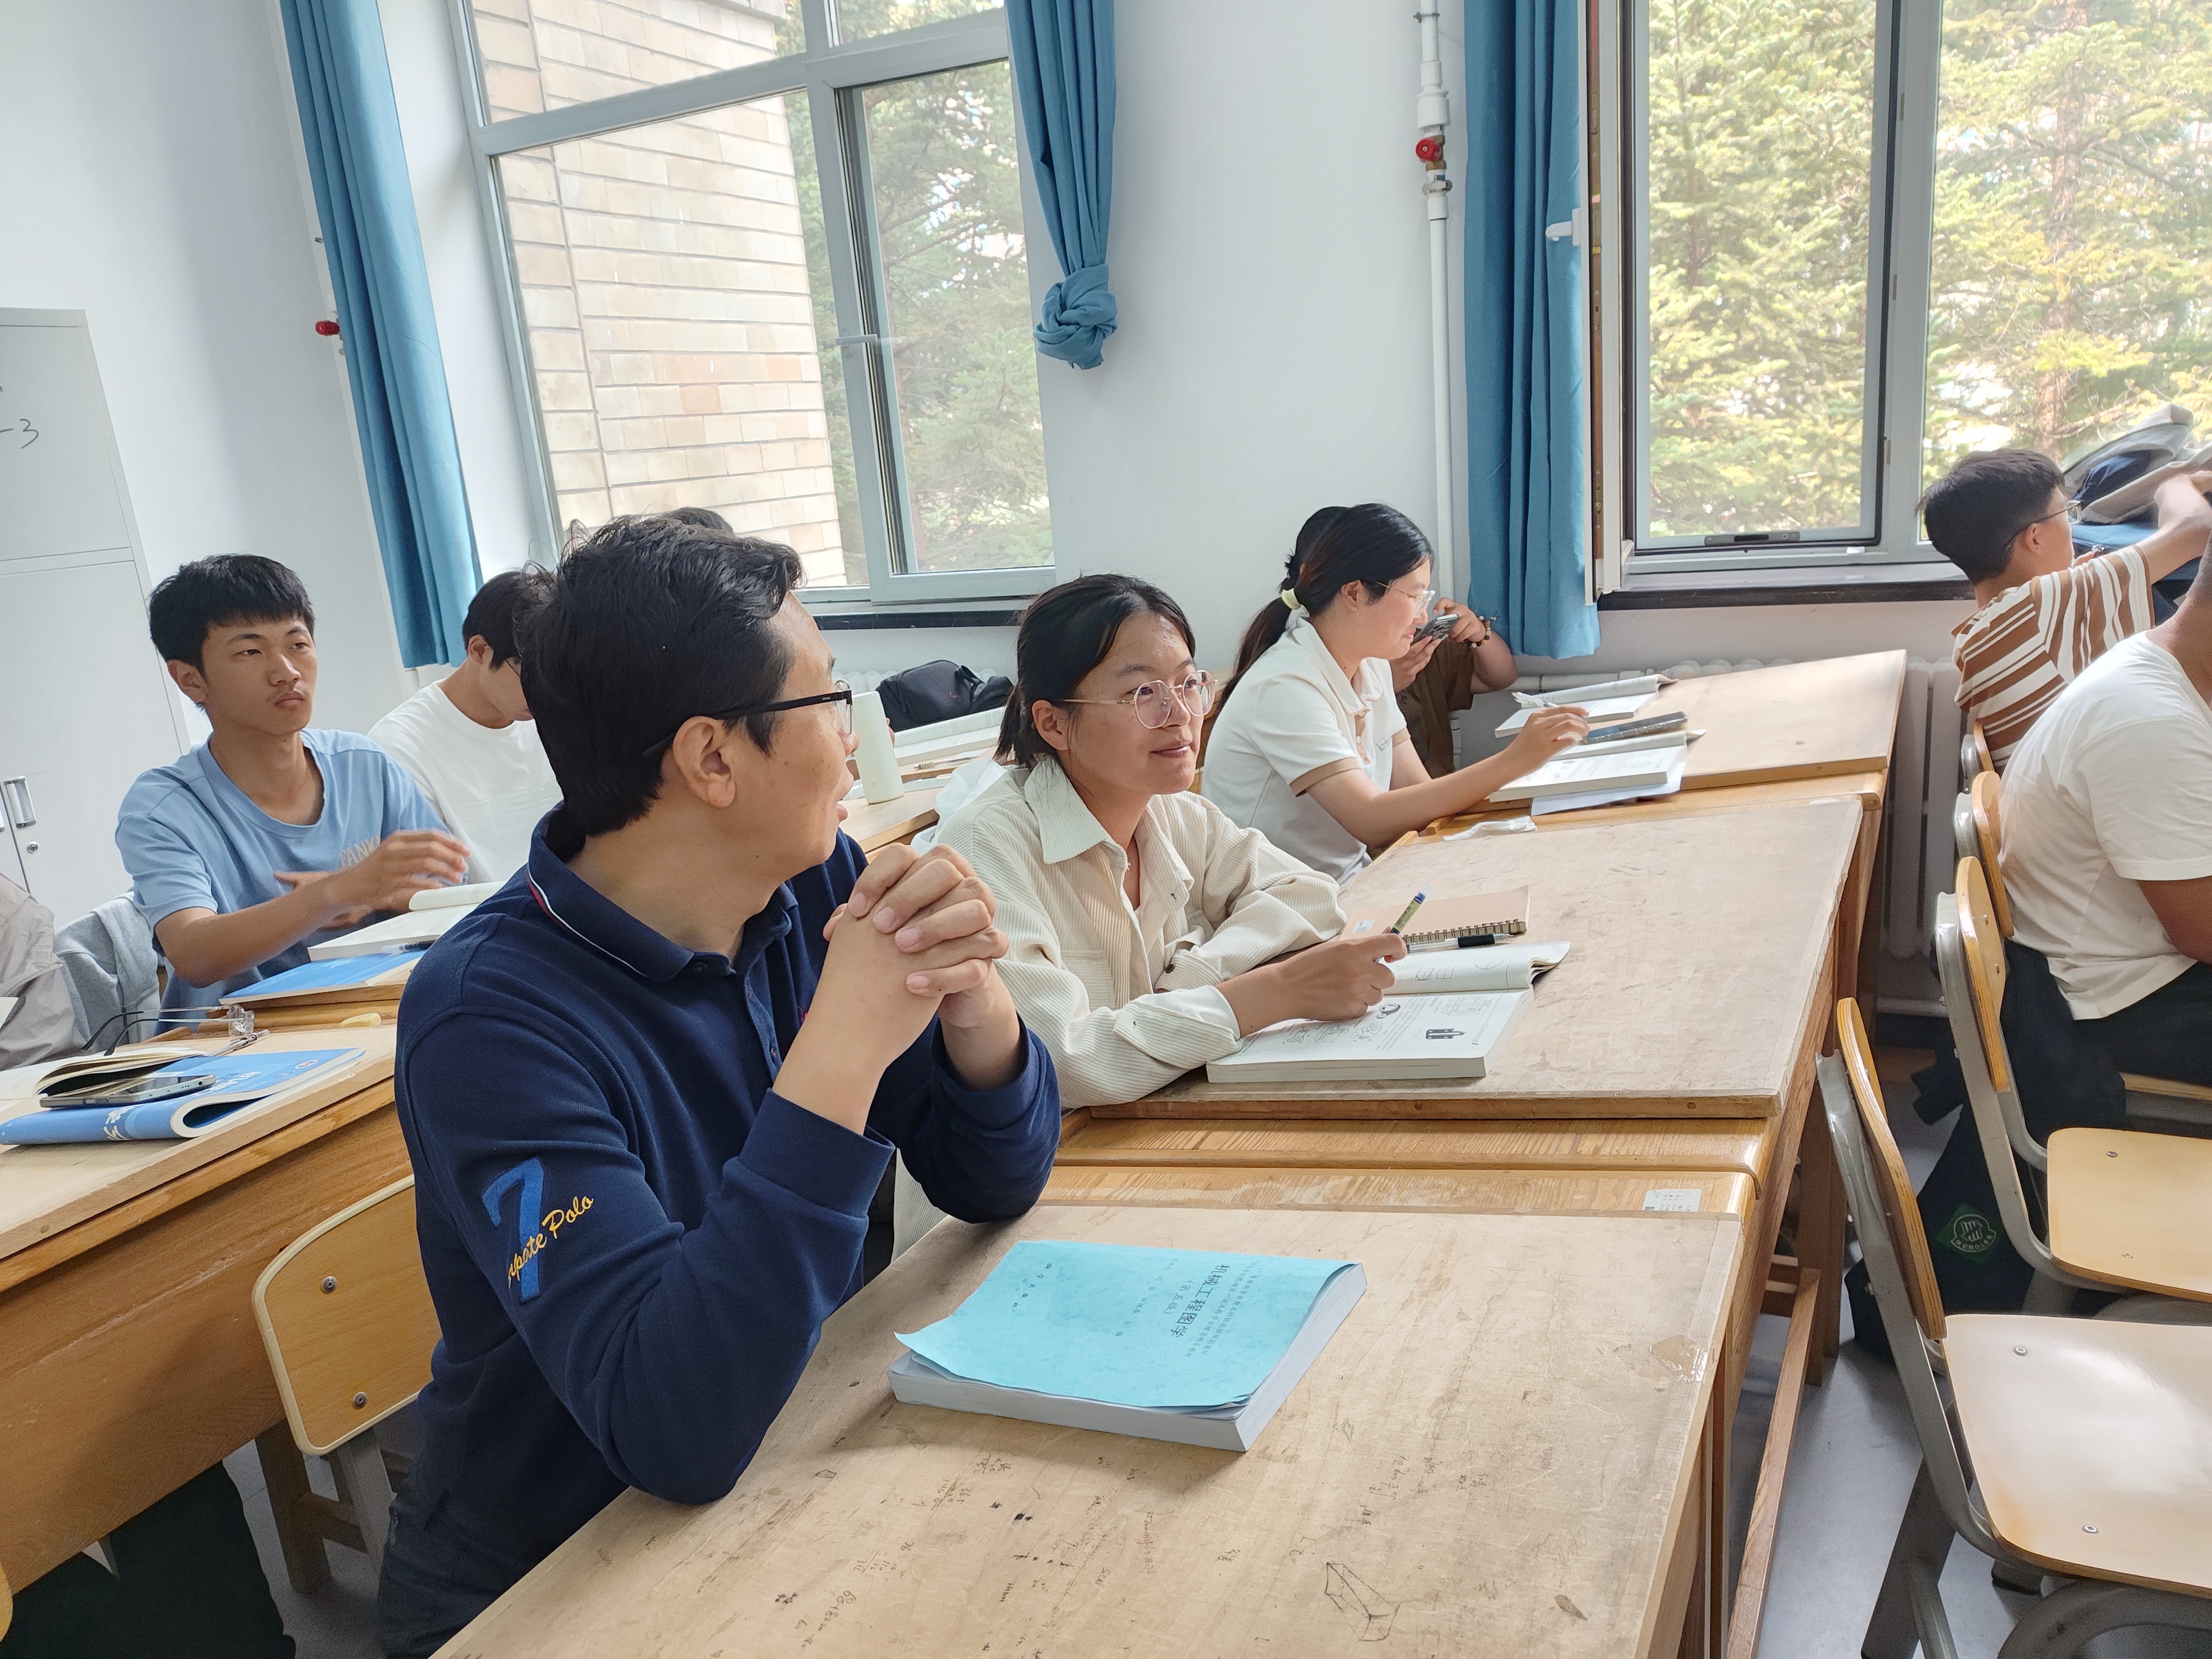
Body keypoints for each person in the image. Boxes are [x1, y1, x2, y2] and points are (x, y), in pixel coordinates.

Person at [377, 517, 1060, 1656]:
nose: (854, 739)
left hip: (787, 1461)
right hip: (552, 1573)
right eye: (829, 700)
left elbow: (995, 1182)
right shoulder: (485, 1018)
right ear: (711, 758)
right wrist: (840, 1052)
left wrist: (974, 1001)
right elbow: (672, 1427)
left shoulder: (811, 882)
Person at [937, 575, 1401, 1109]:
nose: (1180, 714)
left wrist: (1194, 978)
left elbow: (1307, 895)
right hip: (1063, 1152)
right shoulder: (985, 846)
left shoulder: (1174, 812)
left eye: (1187, 684)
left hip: (1157, 1117)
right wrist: (1271, 993)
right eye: (1142, 693)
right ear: (1053, 724)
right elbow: (1060, 1062)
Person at [117, 556, 470, 1024]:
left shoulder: (364, 765)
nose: (286, 671)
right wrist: (335, 892)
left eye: (298, 644)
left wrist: (371, 896)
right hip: (236, 1043)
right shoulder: (163, 808)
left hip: (377, 1013)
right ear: (190, 679)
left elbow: (451, 892)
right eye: (250, 652)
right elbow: (194, 953)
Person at [1201, 504, 1588, 881]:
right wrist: (1513, 761)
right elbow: (1370, 819)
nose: (1423, 617)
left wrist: (1538, 787)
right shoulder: (1285, 685)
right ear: (1354, 594)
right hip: (1280, 905)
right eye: (1414, 597)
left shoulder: (1370, 665)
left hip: (1349, 884)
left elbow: (1420, 794)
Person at [2000, 546, 2212, 1089]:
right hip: (2117, 1001)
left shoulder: (2164, 663)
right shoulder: (2150, 723)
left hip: (2129, 962)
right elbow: (2201, 932)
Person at [1924, 449, 2212, 767]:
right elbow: (2197, 528)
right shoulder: (2042, 606)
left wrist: (2074, 586)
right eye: (2066, 513)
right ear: (2035, 539)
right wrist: (2174, 484)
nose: (2072, 525)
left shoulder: (1976, 637)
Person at [369, 568, 562, 883]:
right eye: (530, 675)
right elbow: (423, 889)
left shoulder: (561, 717)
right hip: (477, 912)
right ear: (479, 651)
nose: (546, 692)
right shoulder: (397, 747)